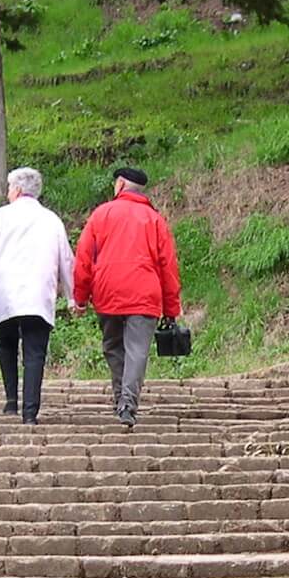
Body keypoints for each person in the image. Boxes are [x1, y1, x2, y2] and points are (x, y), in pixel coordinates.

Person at [71, 165, 181, 429]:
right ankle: (128, 404)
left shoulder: (101, 214)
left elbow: (84, 258)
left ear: (119, 184)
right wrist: (171, 308)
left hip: (108, 291)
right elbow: (168, 265)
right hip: (145, 293)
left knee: (113, 347)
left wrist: (81, 296)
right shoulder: (154, 220)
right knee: (137, 350)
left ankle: (121, 400)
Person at [0, 166, 75, 425]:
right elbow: (67, 260)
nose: (7, 193)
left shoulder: (2, 216)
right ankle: (30, 413)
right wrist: (74, 297)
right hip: (38, 294)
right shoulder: (51, 219)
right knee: (35, 351)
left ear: (16, 189)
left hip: (5, 292)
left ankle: (10, 402)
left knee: (6, 342)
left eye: (8, 188)